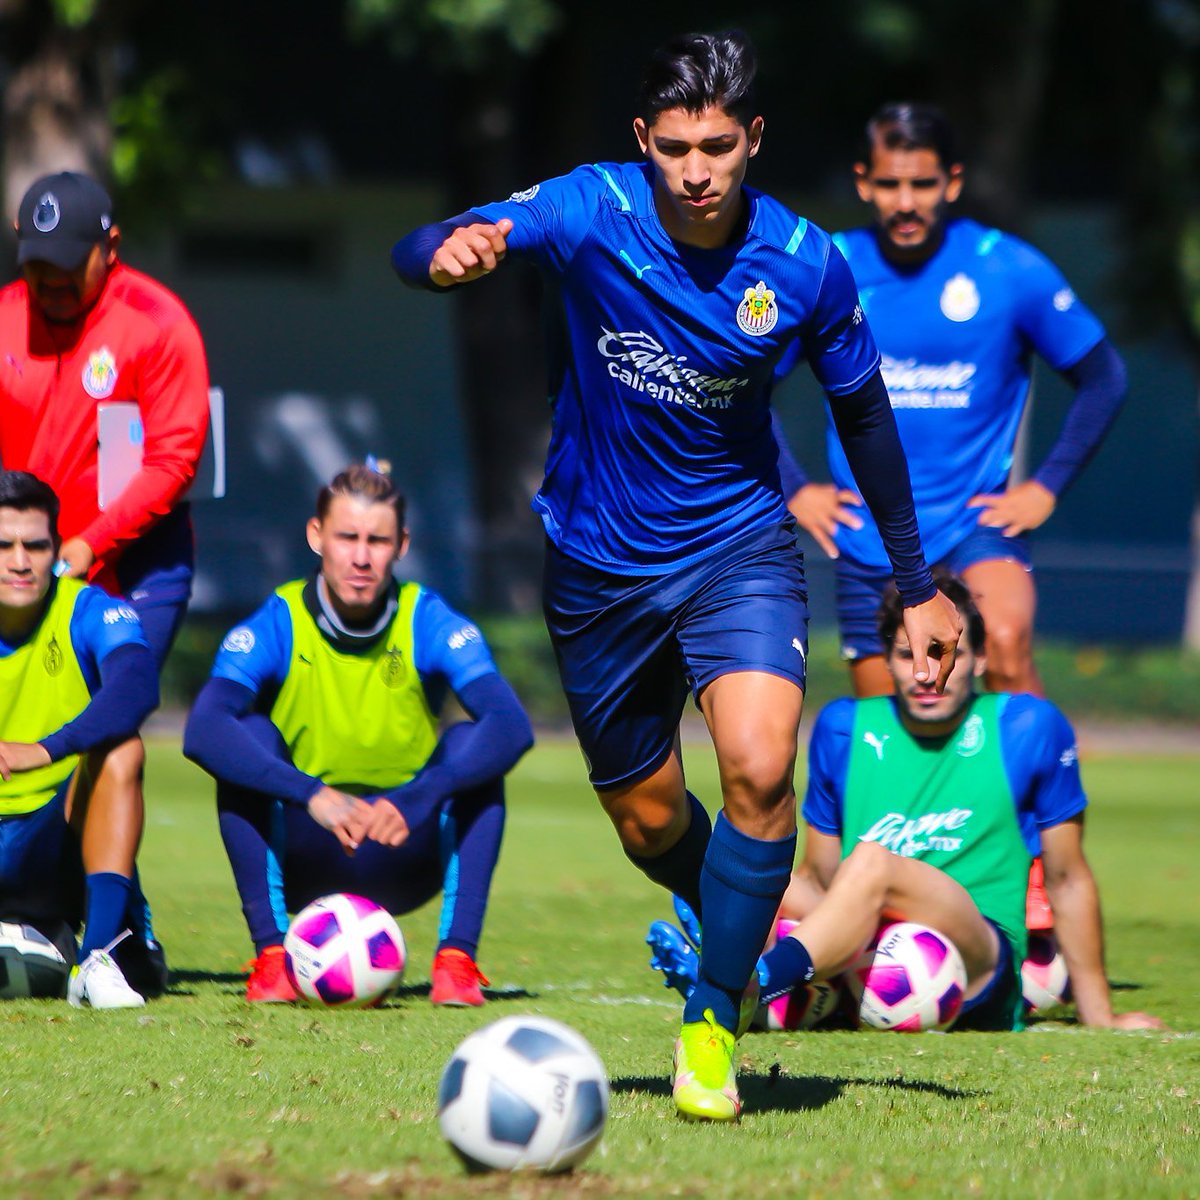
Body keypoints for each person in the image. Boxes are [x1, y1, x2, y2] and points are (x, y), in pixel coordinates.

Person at [392, 31, 961, 1120]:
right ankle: (745, 932)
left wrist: (915, 574)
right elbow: (422, 246)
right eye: (675, 147)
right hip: (597, 564)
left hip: (737, 549)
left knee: (758, 770)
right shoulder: (589, 207)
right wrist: (445, 256)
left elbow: (867, 417)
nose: (696, 171)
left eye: (717, 145)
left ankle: (713, 1018)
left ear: (752, 139)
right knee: (650, 821)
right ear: (643, 141)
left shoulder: (804, 262)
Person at [647, 573, 1162, 1033]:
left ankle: (752, 984)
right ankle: (725, 963)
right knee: (748, 873)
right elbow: (820, 877)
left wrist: (1101, 1015)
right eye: (908, 653)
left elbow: (1067, 878)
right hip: (868, 936)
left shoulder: (1026, 726)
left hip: (979, 950)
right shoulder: (845, 728)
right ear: (886, 660)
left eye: (945, 653)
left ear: (979, 657)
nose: (925, 673)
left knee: (872, 861)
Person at [777, 103, 1127, 702]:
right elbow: (742, 387)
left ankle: (1044, 792)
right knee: (889, 726)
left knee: (1008, 646)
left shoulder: (1009, 269)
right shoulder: (826, 268)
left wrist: (1047, 485)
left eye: (923, 183)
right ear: (864, 182)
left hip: (975, 524)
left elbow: (1104, 378)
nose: (906, 201)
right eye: (889, 184)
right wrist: (794, 486)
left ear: (953, 183)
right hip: (870, 537)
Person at [183, 463, 533, 1007]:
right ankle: (273, 958)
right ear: (316, 536)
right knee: (243, 738)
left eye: (378, 540)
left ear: (402, 545)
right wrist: (312, 795)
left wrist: (419, 797)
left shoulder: (428, 618)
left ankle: (457, 961)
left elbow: (511, 725)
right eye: (347, 538)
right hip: (306, 846)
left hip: (404, 849)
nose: (362, 557)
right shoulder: (276, 622)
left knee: (474, 746)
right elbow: (203, 730)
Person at [1, 171, 212, 973]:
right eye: (36, 268)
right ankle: (71, 913)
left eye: (66, 267)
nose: (49, 285)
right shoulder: (6, 320)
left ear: (110, 248)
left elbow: (174, 455)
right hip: (27, 567)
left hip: (136, 569)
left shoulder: (158, 326)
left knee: (106, 731)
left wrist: (91, 542)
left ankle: (115, 937)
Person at [0, 470, 161, 1008]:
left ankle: (97, 961)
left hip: (54, 841)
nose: (20, 561)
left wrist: (45, 749)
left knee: (122, 747)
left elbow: (137, 684)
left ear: (56, 550)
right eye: (4, 545)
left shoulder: (88, 608)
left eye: (35, 545)